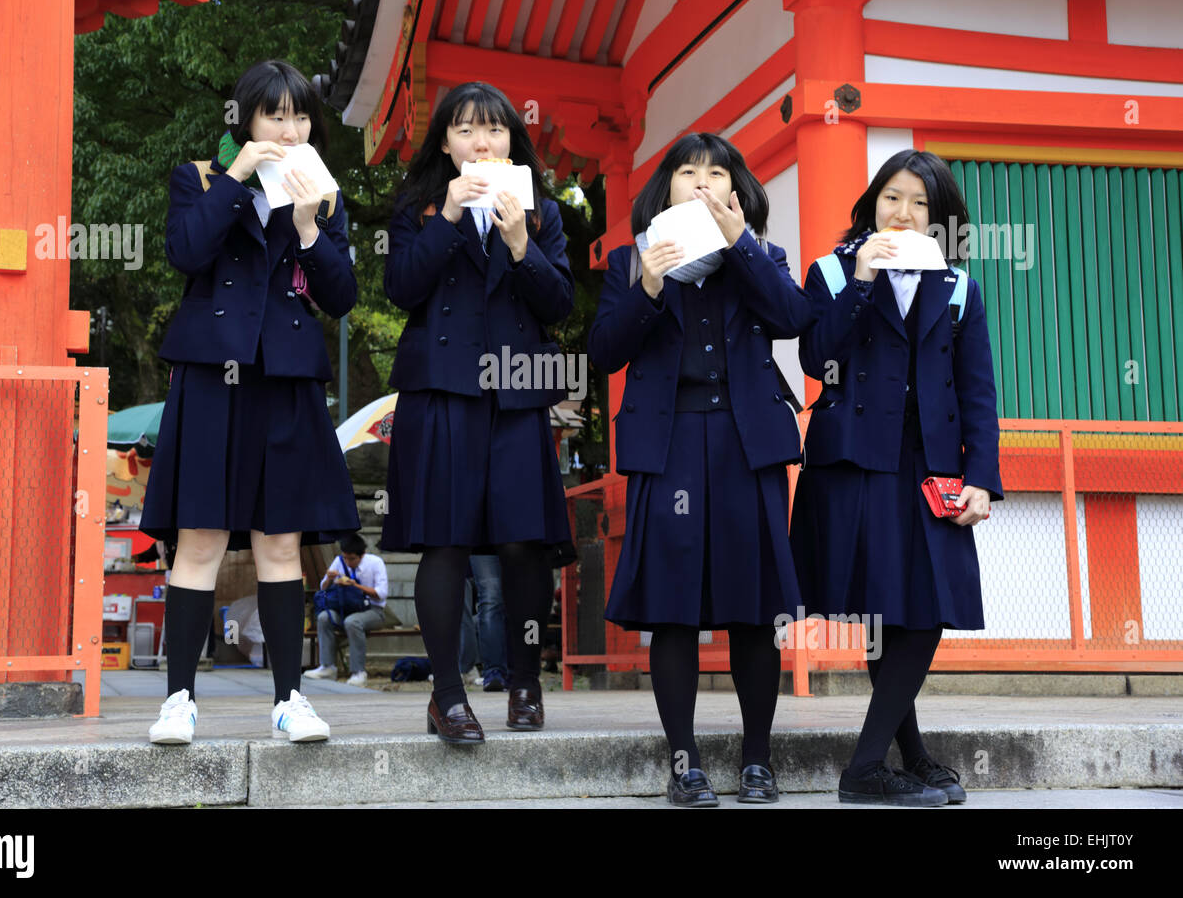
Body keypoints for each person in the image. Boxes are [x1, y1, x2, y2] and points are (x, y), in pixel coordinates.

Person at [587, 133, 814, 807]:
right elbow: (604, 351)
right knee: (674, 610)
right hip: (670, 443)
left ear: (737, 191)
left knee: (753, 609)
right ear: (666, 189)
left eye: (718, 174)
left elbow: (795, 317)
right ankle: (683, 763)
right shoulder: (632, 261)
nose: (704, 184)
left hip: (750, 445)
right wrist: (650, 284)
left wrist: (741, 245)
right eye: (689, 173)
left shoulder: (761, 255)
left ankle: (757, 761)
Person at [140, 59, 360, 745]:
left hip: (287, 377)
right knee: (199, 536)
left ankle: (291, 699)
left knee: (281, 540)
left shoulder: (322, 196)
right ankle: (178, 698)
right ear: (247, 121)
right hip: (211, 376)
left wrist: (307, 228)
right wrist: (238, 180)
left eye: (300, 117)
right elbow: (185, 252)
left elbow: (343, 296)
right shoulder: (201, 178)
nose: (290, 129)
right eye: (275, 115)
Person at [790, 149, 1002, 806]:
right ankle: (877, 767)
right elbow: (815, 357)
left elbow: (978, 391)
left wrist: (981, 478)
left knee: (925, 607)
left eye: (919, 203)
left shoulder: (959, 286)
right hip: (856, 460)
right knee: (889, 609)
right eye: (892, 197)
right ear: (871, 202)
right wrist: (860, 280)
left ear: (938, 218)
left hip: (930, 464)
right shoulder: (829, 271)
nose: (903, 212)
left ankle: (892, 759)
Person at [381, 81, 574, 743]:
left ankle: (524, 682)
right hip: (441, 391)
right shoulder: (417, 206)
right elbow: (401, 286)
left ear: (512, 140)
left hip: (518, 394)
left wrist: (521, 242)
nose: (481, 141)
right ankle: (447, 696)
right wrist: (448, 219)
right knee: (447, 542)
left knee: (524, 544)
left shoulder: (542, 211)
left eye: (493, 129)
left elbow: (559, 306)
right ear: (445, 142)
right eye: (464, 129)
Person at [304, 532, 388, 686]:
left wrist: (355, 586)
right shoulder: (339, 561)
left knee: (352, 622)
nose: (348, 562)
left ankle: (358, 672)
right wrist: (329, 578)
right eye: (345, 558)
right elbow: (323, 588)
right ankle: (327, 667)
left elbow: (381, 594)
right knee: (324, 617)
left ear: (362, 555)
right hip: (344, 608)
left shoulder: (375, 563)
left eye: (352, 559)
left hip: (372, 611)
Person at [458, 554, 509, 691]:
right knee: (490, 598)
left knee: (523, 596)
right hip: (482, 541)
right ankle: (493, 671)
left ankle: (525, 668)